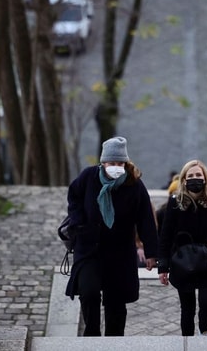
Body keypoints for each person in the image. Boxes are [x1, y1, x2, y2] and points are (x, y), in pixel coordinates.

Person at [64, 136, 158, 337]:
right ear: (103, 162)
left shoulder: (134, 185)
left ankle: (114, 341)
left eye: (120, 163)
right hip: (90, 248)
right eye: (111, 163)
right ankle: (92, 335)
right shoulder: (89, 177)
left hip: (119, 252)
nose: (116, 167)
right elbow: (74, 196)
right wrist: (77, 220)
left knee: (116, 301)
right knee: (88, 292)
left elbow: (146, 218)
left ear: (125, 163)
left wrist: (151, 251)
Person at [157, 160, 207, 336]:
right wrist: (163, 266)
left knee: (206, 303)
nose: (194, 179)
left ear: (205, 178)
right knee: (187, 307)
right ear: (183, 180)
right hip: (182, 262)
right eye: (190, 176)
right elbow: (165, 235)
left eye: (198, 175)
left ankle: (204, 331)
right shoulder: (175, 202)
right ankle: (187, 341)